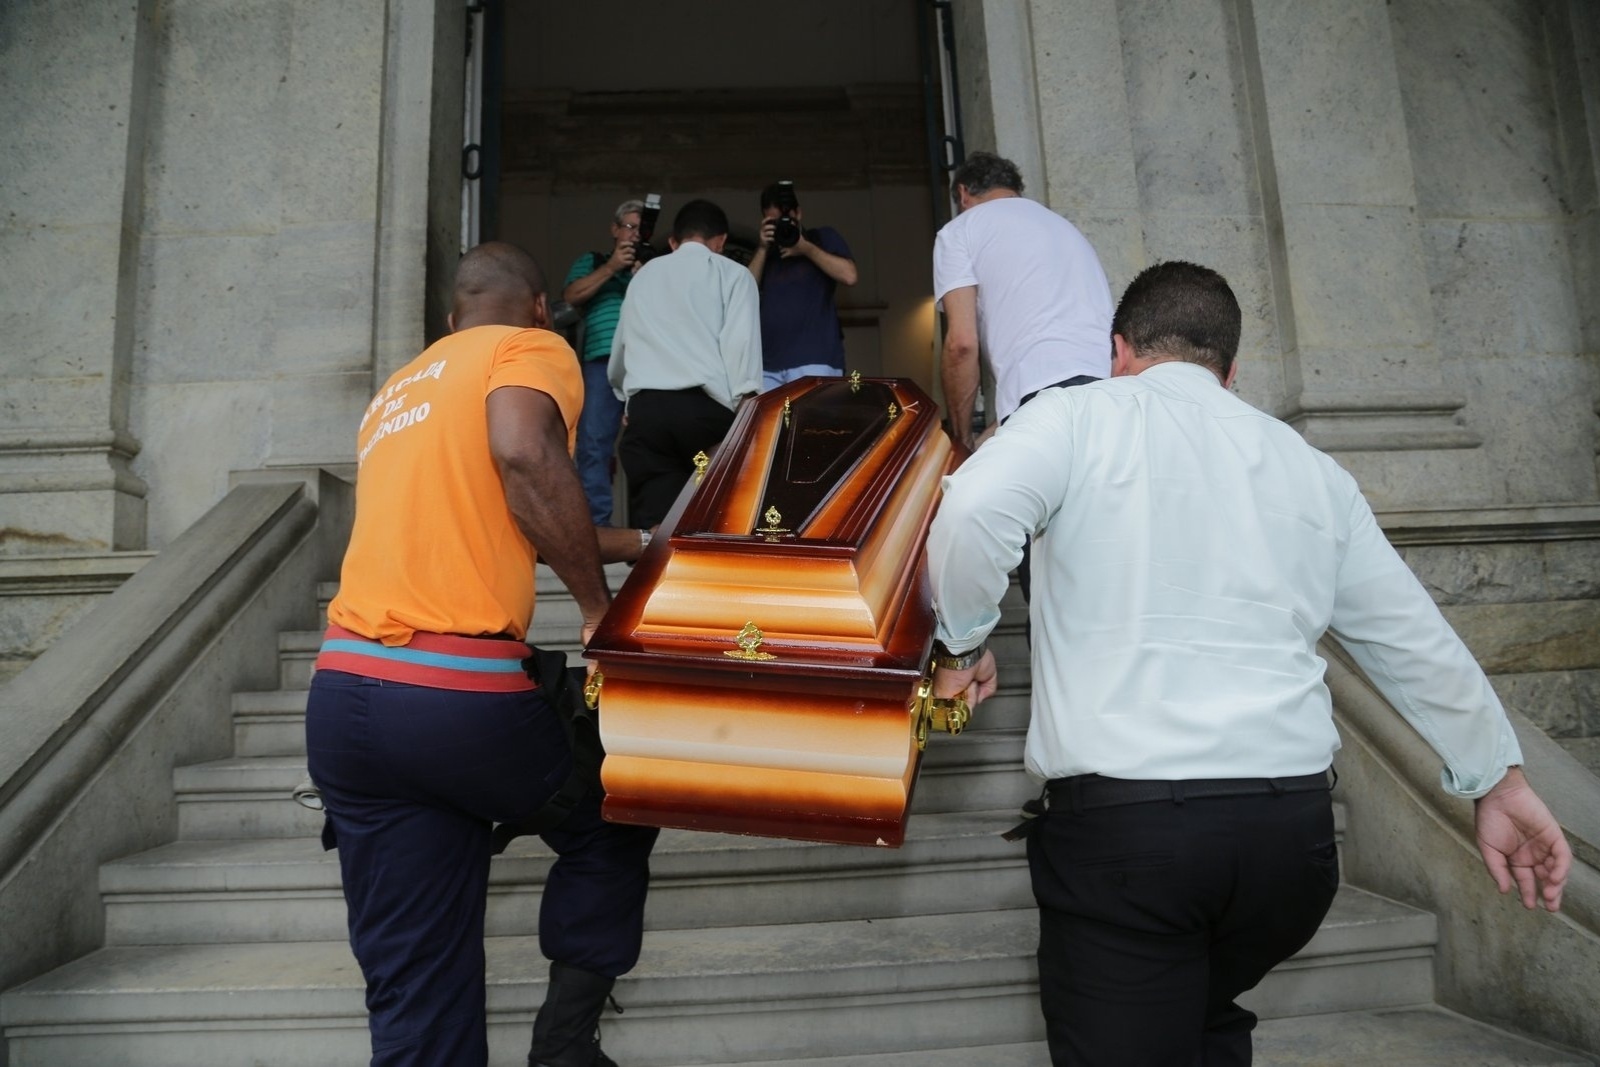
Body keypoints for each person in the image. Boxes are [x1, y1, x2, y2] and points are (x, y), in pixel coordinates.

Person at [925, 260, 1571, 1067]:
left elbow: (973, 510)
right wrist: (1498, 779)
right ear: (1230, 371)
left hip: (1134, 839)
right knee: (1204, 1017)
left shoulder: (1074, 416)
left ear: (1117, 350)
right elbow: (1410, 634)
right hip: (1288, 848)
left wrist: (961, 645)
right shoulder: (1310, 467)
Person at [306, 241, 660, 1067]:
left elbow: (515, 515)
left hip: (346, 701)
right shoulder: (530, 348)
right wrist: (596, 607)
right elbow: (525, 455)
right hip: (452, 706)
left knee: (417, 993)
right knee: (625, 794)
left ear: (448, 317)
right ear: (541, 307)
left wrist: (643, 540)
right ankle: (565, 1046)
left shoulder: (399, 391)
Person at [932, 151, 1113, 457]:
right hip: (1111, 395)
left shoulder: (959, 231)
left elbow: (961, 345)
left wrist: (961, 443)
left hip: (1046, 407)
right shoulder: (1063, 227)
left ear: (962, 193)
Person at [608, 198, 761, 529]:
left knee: (656, 529)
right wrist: (747, 411)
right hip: (704, 417)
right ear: (720, 240)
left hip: (647, 415)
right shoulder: (733, 274)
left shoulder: (643, 276)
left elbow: (620, 350)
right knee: (716, 520)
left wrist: (629, 398)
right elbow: (741, 345)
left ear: (674, 241)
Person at [562, 200, 645, 526]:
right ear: (614, 229)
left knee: (650, 447)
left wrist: (647, 274)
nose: (634, 234)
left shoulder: (654, 264)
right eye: (629, 226)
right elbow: (570, 296)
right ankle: (596, 528)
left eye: (641, 228)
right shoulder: (593, 261)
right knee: (594, 443)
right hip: (599, 362)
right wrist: (612, 267)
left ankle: (649, 528)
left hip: (647, 365)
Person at [746, 182, 857, 390]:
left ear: (799, 213)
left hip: (816, 361)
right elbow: (745, 291)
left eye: (786, 220)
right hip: (768, 366)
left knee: (815, 423)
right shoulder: (767, 254)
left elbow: (850, 276)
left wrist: (805, 248)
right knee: (771, 423)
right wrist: (762, 248)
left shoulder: (821, 238)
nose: (782, 226)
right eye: (774, 222)